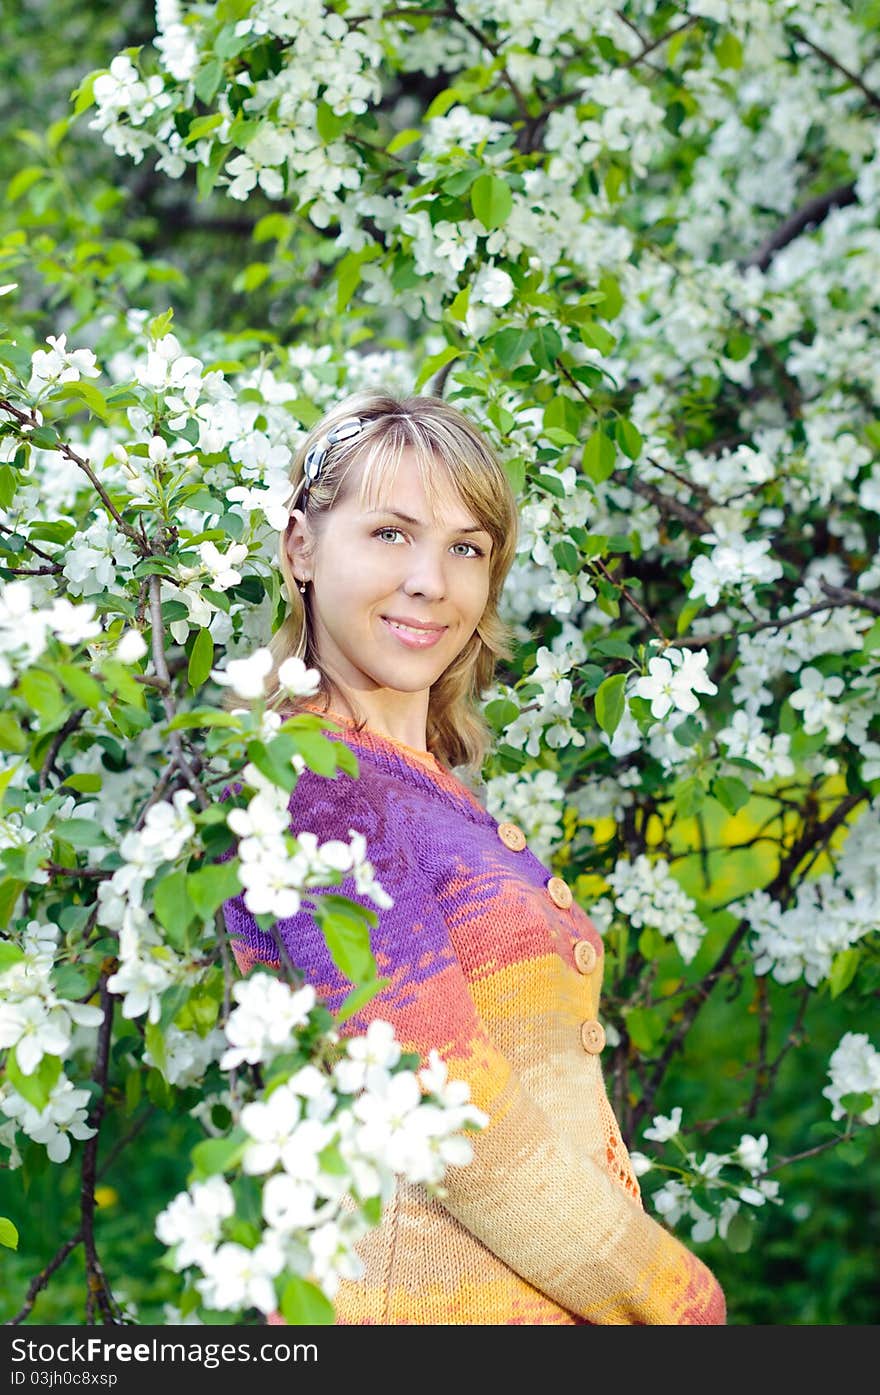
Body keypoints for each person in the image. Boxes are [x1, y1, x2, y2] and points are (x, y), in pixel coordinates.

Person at [221, 390, 727, 1325]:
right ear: (300, 547)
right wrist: (676, 1296)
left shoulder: (414, 782)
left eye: (466, 546)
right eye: (389, 533)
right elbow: (445, 1099)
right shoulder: (316, 789)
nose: (431, 581)